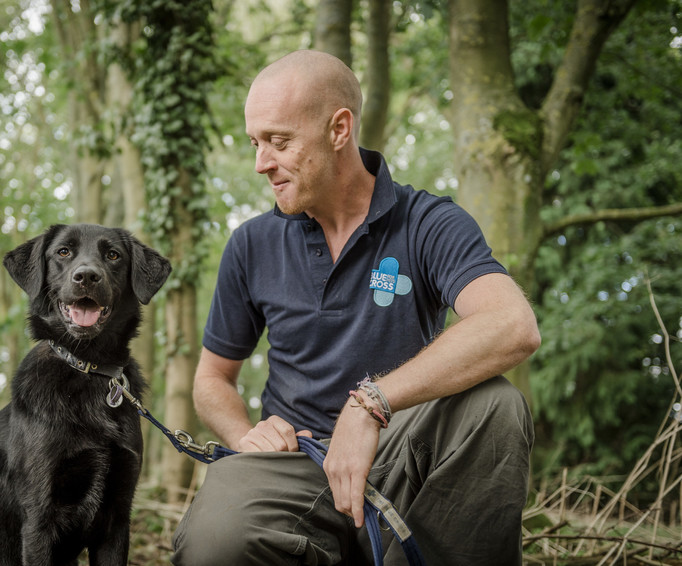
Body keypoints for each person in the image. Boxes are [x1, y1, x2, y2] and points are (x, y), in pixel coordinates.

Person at [171, 50, 541, 565]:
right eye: (256, 143)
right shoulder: (250, 244)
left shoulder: (430, 223)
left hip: (401, 453)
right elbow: (211, 380)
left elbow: (511, 324)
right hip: (292, 463)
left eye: (279, 141)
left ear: (339, 129)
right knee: (213, 542)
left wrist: (371, 403)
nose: (261, 163)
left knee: (497, 406)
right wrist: (245, 434)